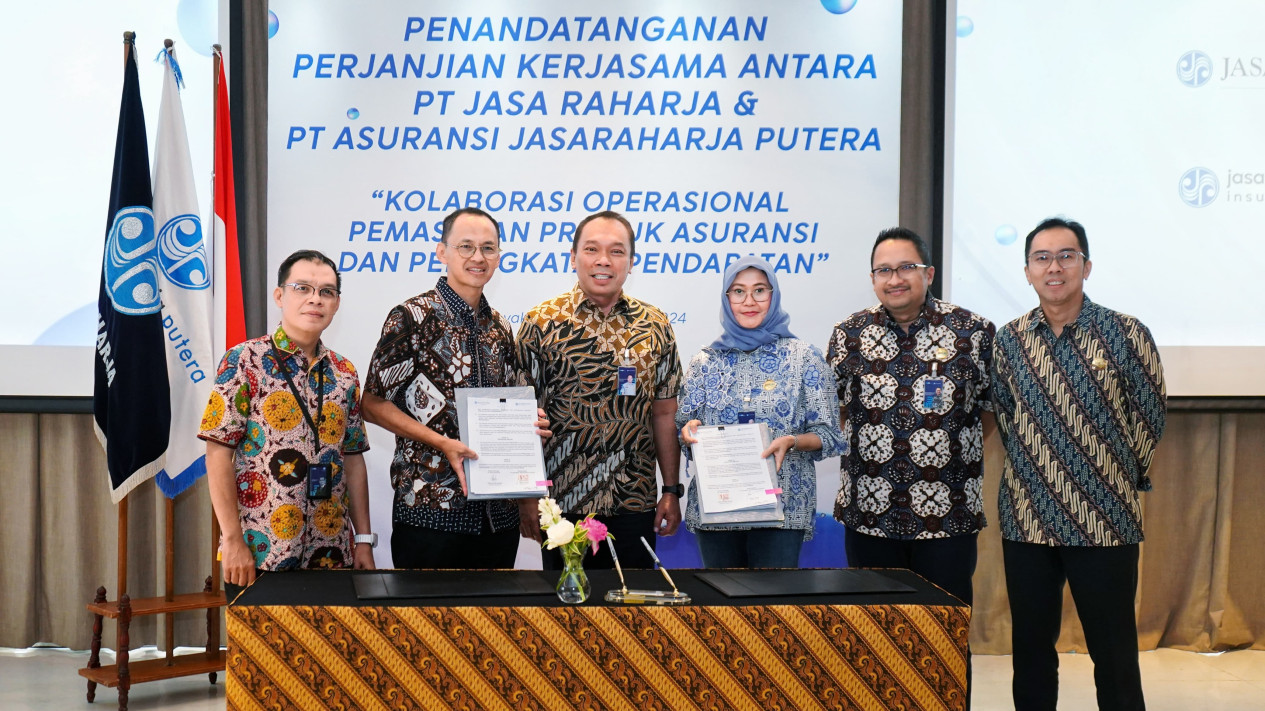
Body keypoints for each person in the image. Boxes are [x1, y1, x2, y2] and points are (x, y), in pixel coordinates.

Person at [992, 217, 1166, 711]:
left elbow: (1148, 420)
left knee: (1113, 654)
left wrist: (1103, 475)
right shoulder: (1008, 341)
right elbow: (1006, 416)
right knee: (1030, 651)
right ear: (1027, 271)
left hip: (1105, 520)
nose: (1054, 267)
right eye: (1042, 258)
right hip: (1028, 521)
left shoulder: (1127, 333)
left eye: (1066, 256)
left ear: (1086, 266)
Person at [362, 207, 549, 569]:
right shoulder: (412, 318)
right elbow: (371, 403)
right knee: (427, 625)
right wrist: (441, 443)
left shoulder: (499, 328)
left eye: (488, 248)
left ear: (498, 257)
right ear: (441, 252)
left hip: (498, 518)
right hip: (430, 511)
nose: (478, 257)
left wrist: (528, 426)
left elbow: (512, 404)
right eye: (466, 246)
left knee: (492, 625)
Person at [829, 227, 995, 605]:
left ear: (929, 274)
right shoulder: (848, 335)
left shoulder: (974, 332)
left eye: (906, 267)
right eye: (883, 270)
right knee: (875, 633)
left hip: (948, 513)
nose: (894, 279)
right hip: (869, 512)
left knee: (945, 633)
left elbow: (987, 412)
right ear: (873, 279)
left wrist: (939, 450)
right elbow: (836, 411)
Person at [201, 249, 375, 600]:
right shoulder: (245, 360)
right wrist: (232, 540)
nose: (315, 298)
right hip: (261, 552)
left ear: (337, 303)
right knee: (260, 654)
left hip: (332, 552)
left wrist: (363, 540)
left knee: (328, 653)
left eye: (326, 291)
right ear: (280, 296)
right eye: (303, 288)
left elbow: (353, 459)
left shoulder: (345, 373)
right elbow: (217, 453)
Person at [516, 210, 683, 569]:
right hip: (562, 505)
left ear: (632, 261)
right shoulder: (541, 323)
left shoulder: (656, 324)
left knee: (634, 614)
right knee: (565, 615)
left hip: (635, 500)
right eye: (592, 249)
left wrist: (671, 490)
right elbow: (521, 418)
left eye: (617, 251)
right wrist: (528, 498)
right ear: (573, 257)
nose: (604, 260)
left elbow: (665, 413)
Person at [677, 256, 845, 568]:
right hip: (719, 509)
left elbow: (830, 436)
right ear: (727, 299)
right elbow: (683, 426)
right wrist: (688, 432)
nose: (749, 301)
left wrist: (792, 441)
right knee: (722, 612)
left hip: (782, 510)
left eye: (759, 290)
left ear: (774, 294)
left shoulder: (804, 358)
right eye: (738, 291)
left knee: (773, 611)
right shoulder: (705, 361)